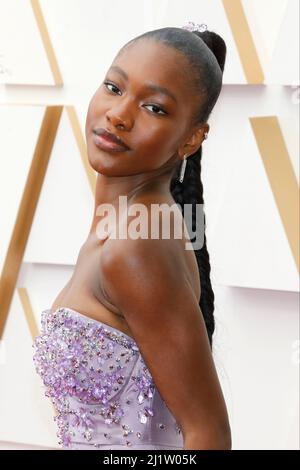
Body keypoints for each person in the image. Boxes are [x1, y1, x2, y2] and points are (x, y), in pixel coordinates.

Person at [32, 24, 231, 450]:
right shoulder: (126, 225)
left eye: (155, 108)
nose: (119, 115)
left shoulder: (136, 245)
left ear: (192, 138)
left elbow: (208, 435)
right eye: (114, 87)